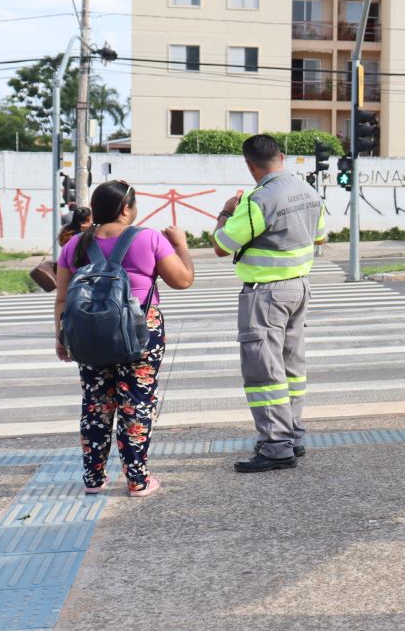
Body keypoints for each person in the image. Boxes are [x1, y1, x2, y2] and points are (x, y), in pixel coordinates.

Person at [54, 181, 195, 497]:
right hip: (139, 330)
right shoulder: (149, 238)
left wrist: (61, 338)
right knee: (136, 403)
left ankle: (93, 478)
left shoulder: (74, 245)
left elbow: (62, 298)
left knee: (95, 404)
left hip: (88, 334)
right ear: (126, 208)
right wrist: (181, 245)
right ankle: (137, 479)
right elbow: (183, 280)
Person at [213, 134, 325, 473]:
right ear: (282, 156)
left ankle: (276, 446)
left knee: (263, 370)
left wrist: (225, 211)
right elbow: (318, 237)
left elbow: (222, 244)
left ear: (250, 165)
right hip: (299, 288)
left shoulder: (256, 200)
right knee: (291, 366)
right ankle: (293, 435)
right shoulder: (309, 191)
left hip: (266, 293)